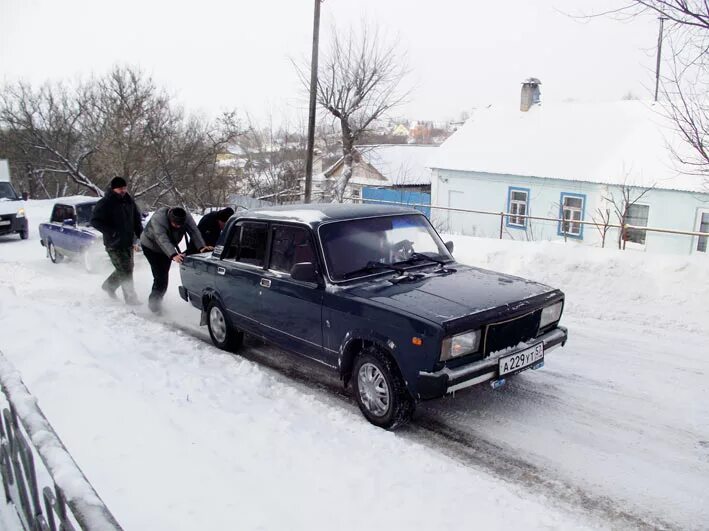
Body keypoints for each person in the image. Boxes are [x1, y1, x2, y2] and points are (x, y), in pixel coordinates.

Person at [140, 206, 212, 313]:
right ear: (169, 219)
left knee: (164, 276)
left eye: (180, 225)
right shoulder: (159, 219)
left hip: (167, 248)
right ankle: (154, 306)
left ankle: (156, 302)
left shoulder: (187, 217)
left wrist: (201, 247)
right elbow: (161, 239)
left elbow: (194, 231)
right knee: (160, 276)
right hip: (151, 247)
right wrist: (173, 254)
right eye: (175, 224)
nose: (178, 227)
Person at [90, 176, 143, 304]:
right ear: (113, 189)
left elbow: (136, 219)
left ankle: (109, 286)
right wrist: (112, 232)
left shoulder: (129, 201)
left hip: (127, 241)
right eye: (120, 189)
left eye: (124, 188)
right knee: (125, 270)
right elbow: (95, 221)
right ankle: (131, 299)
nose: (123, 191)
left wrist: (141, 235)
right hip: (113, 243)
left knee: (127, 268)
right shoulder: (105, 203)